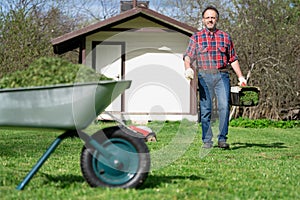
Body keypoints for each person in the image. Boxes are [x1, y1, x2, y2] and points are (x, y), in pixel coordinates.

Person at [183, 6, 247, 149]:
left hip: (222, 75)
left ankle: (222, 139)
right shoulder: (196, 38)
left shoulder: (225, 36)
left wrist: (241, 77)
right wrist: (187, 69)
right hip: (204, 76)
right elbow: (188, 56)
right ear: (203, 20)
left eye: (213, 17)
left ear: (216, 19)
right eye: (207, 17)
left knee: (224, 106)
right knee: (206, 109)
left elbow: (233, 58)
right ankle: (207, 140)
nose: (210, 20)